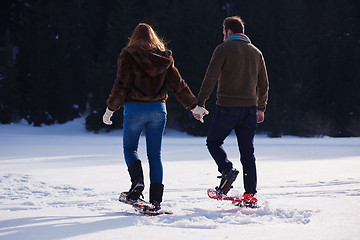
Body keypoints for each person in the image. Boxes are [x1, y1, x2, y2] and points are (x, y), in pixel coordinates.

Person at [102, 23, 207, 211]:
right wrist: (194, 106)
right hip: (158, 110)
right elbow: (178, 85)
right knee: (155, 156)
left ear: (134, 37)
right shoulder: (163, 57)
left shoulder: (128, 54)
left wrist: (111, 108)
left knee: (129, 148)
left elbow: (121, 85)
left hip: (134, 110)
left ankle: (137, 183)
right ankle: (156, 201)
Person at [194, 16, 269, 204]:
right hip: (250, 110)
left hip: (227, 108)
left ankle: (227, 169)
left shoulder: (223, 49)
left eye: (223, 31)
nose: (222, 35)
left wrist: (200, 103)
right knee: (247, 153)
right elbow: (264, 85)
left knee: (213, 141)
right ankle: (250, 194)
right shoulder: (257, 53)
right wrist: (261, 108)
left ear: (228, 31)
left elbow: (210, 78)